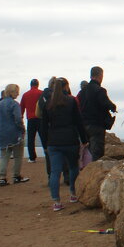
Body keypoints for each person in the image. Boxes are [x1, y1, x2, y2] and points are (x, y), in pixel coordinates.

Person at [40, 78, 88, 211]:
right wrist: (84, 139)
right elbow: (79, 122)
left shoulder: (48, 104)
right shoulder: (71, 101)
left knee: (55, 172)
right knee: (73, 168)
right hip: (70, 140)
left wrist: (45, 144)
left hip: (53, 142)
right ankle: (73, 193)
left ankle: (56, 201)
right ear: (65, 87)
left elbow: (43, 127)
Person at [0, 84, 29, 187]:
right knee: (18, 156)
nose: (18, 93)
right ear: (12, 92)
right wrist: (22, 128)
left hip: (1, 134)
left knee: (4, 156)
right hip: (14, 134)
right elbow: (18, 118)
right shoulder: (14, 104)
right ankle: (16, 176)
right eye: (16, 91)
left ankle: (2, 178)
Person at [79, 66, 116, 162]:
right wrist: (113, 107)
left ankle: (86, 170)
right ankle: (96, 171)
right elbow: (106, 104)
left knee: (87, 151)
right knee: (97, 152)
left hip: (84, 124)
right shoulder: (100, 90)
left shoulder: (82, 91)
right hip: (96, 125)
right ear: (100, 75)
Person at [19, 79, 44, 163]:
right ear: (38, 84)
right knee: (44, 137)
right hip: (40, 118)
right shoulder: (41, 93)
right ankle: (48, 154)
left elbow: (21, 108)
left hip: (30, 119)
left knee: (30, 139)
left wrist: (21, 117)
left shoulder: (25, 95)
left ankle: (32, 157)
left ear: (30, 85)